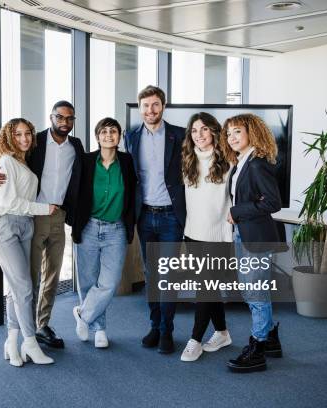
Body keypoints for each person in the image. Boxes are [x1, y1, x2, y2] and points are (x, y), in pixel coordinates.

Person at [0, 101, 84, 349]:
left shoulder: (76, 146)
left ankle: (42, 326)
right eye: (60, 117)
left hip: (59, 216)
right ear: (51, 117)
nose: (64, 122)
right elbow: (6, 158)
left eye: (70, 118)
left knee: (52, 275)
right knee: (29, 279)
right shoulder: (35, 141)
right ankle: (23, 333)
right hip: (34, 216)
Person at [0, 118, 57, 367]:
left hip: (25, 225)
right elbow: (9, 203)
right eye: (18, 135)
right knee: (25, 286)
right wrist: (44, 208)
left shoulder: (22, 160)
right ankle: (30, 342)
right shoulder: (6, 161)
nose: (25, 139)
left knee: (18, 288)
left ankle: (11, 340)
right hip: (5, 226)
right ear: (8, 137)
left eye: (28, 134)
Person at [220, 113, 284, 373]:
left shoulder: (257, 163)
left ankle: (257, 348)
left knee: (255, 293)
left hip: (256, 237)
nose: (231, 137)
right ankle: (271, 339)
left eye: (237, 132)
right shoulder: (240, 162)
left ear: (252, 133)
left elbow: (272, 203)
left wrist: (237, 212)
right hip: (243, 234)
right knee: (253, 291)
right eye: (228, 133)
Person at [124, 85, 186, 354]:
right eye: (146, 106)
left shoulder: (180, 136)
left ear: (163, 106)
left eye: (155, 105)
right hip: (145, 216)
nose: (150, 110)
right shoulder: (130, 136)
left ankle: (166, 331)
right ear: (140, 108)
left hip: (172, 215)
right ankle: (154, 324)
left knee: (168, 275)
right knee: (151, 276)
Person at [71, 118, 137, 348]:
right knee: (88, 281)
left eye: (113, 131)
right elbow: (74, 191)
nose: (109, 135)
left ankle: (83, 315)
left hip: (116, 229)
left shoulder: (128, 162)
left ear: (119, 136)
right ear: (97, 136)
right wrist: (75, 223)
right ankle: (99, 329)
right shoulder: (86, 161)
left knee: (109, 282)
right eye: (104, 131)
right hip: (89, 226)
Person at [179, 112, 233, 362]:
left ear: (213, 131)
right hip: (193, 234)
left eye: (203, 129)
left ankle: (195, 340)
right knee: (209, 289)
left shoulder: (229, 161)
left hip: (218, 235)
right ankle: (222, 333)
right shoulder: (187, 160)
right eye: (194, 131)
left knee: (205, 289)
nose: (199, 135)